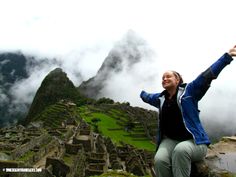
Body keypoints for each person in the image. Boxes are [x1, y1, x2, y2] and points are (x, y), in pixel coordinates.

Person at [140, 45, 236, 177]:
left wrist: (227, 57)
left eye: (168, 76)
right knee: (160, 160)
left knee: (181, 151)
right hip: (171, 140)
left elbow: (207, 76)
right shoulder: (161, 98)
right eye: (163, 78)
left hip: (194, 141)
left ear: (177, 80)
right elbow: (148, 97)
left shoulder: (190, 92)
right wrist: (141, 93)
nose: (164, 79)